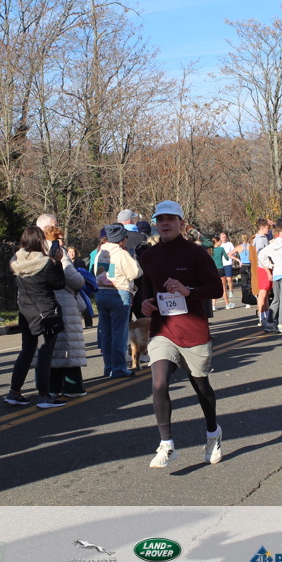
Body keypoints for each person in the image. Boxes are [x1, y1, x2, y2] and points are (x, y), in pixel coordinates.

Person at [139, 200, 223, 468]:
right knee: (159, 383)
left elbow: (216, 288)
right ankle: (166, 445)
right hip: (162, 330)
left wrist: (189, 291)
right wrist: (144, 303)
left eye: (170, 219)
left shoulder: (196, 253)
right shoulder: (149, 256)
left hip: (193, 330)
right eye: (160, 219)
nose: (164, 223)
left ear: (181, 224)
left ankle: (213, 433)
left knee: (201, 388)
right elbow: (145, 288)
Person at [5, 226, 67, 408]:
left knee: (26, 351)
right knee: (45, 354)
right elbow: (59, 284)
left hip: (26, 312)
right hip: (45, 312)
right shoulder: (45, 263)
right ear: (40, 241)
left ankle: (14, 392)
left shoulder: (15, 262)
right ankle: (44, 395)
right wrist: (58, 263)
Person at [43, 225, 89, 398]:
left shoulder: (37, 252)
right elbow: (73, 278)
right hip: (64, 303)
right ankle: (73, 386)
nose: (62, 242)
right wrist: (82, 279)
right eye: (60, 238)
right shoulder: (59, 253)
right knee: (69, 345)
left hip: (45, 303)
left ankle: (54, 386)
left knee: (52, 348)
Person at [93, 223, 142, 378]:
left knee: (106, 333)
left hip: (102, 292)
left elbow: (97, 272)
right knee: (119, 333)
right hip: (119, 293)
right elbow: (134, 273)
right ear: (122, 239)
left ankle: (109, 367)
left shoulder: (101, 253)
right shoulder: (121, 254)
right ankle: (119, 368)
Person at [257, 223, 282, 334]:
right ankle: (281, 324)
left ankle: (270, 322)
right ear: (280, 233)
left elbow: (261, 255)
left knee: (276, 299)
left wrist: (270, 265)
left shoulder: (272, 245)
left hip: (276, 274)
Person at [252, 218, 273, 326]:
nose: (268, 229)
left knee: (267, 293)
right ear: (262, 228)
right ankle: (261, 316)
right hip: (263, 268)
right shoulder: (260, 239)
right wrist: (268, 271)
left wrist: (273, 225)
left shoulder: (265, 237)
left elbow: (273, 234)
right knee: (262, 293)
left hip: (267, 267)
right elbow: (261, 257)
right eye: (267, 227)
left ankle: (267, 315)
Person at [218, 232, 237, 308]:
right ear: (220, 238)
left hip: (228, 263)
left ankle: (231, 291)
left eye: (225, 237)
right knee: (223, 281)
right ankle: (224, 294)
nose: (224, 239)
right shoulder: (219, 245)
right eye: (223, 237)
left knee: (229, 279)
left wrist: (230, 253)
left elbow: (234, 253)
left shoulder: (229, 244)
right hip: (221, 264)